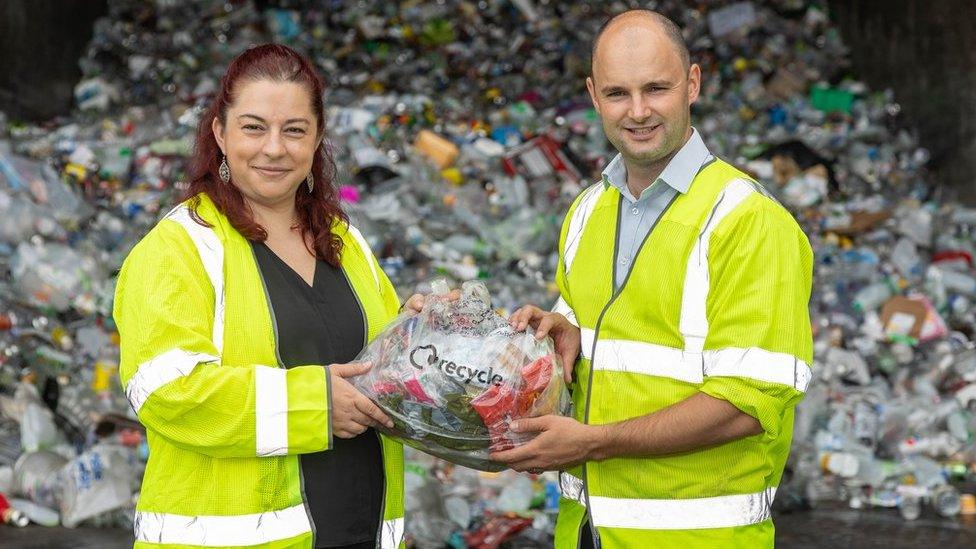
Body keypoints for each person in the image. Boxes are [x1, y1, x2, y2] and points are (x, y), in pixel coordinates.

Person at [497, 10, 813, 549]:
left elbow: (748, 403)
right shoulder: (587, 212)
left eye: (657, 88)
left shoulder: (746, 220)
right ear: (593, 96)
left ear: (692, 83)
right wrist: (559, 341)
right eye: (618, 93)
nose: (638, 111)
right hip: (588, 533)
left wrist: (591, 443)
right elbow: (612, 349)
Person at [114, 44, 423, 549]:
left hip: (358, 531)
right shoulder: (181, 246)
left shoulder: (345, 241)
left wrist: (422, 332)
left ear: (318, 137)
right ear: (220, 133)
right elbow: (166, 391)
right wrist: (313, 406)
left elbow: (379, 365)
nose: (274, 149)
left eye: (294, 130)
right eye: (254, 127)